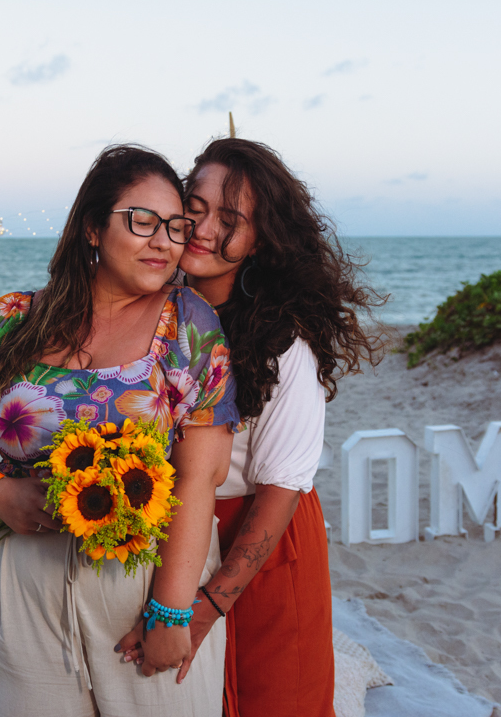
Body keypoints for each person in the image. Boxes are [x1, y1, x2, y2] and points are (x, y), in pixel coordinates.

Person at [0, 145, 240, 717]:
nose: (163, 242)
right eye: (142, 221)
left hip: (144, 582)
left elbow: (201, 477)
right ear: (93, 227)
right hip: (20, 581)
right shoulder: (12, 320)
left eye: (176, 227)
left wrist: (171, 612)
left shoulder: (189, 326)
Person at [118, 138, 385, 716]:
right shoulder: (153, 309)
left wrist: (205, 610)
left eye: (230, 220)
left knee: (274, 697)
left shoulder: (285, 344)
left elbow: (281, 492)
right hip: (173, 526)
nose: (203, 228)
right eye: (195, 207)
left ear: (261, 240)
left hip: (261, 533)